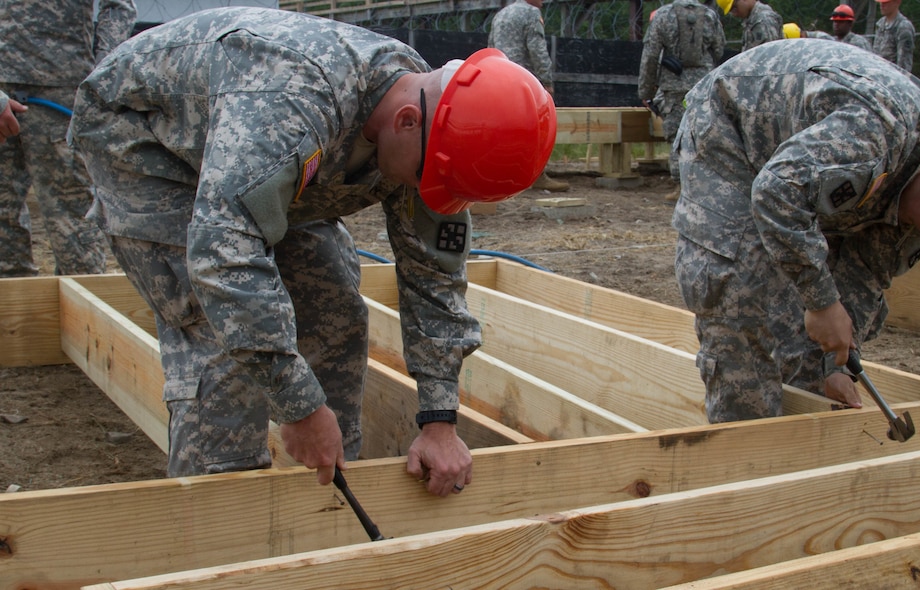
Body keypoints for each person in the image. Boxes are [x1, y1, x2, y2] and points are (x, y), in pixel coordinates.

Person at [69, 8, 557, 495]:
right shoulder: (293, 100)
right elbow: (223, 255)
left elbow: (434, 279)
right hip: (147, 145)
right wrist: (297, 404)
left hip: (255, 159)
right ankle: (222, 514)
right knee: (219, 330)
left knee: (334, 308)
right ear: (406, 122)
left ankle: (330, 497)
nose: (421, 191)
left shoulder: (444, 129)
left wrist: (439, 420)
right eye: (420, 179)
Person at [671, 40, 920, 422]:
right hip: (729, 126)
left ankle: (807, 425)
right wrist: (820, 301)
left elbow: (862, 276)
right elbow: (776, 193)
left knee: (806, 316)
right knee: (739, 286)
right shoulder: (874, 132)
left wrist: (835, 366)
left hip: (798, 167)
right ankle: (747, 453)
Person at [0, 0, 136, 277]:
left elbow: (119, 6)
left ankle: (84, 309)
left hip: (60, 91)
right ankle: (15, 314)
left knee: (72, 217)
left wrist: (102, 70)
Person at [638, 0, 726, 202]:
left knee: (678, 136)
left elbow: (650, 55)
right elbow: (719, 49)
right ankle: (704, 185)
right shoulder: (710, 15)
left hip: (673, 87)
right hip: (704, 85)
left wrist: (645, 89)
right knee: (703, 134)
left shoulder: (663, 15)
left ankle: (681, 187)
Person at [489, 0, 570, 193]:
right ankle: (537, 175)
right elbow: (537, 49)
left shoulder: (501, 15)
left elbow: (491, 48)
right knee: (537, 128)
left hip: (501, 79)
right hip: (525, 82)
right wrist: (546, 82)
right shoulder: (531, 13)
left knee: (506, 129)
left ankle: (504, 174)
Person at [873, 0, 915, 72]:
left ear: (897, 2)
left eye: (886, 3)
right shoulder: (880, 24)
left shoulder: (903, 26)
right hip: (877, 74)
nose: (882, 5)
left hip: (892, 76)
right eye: (881, 2)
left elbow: (904, 62)